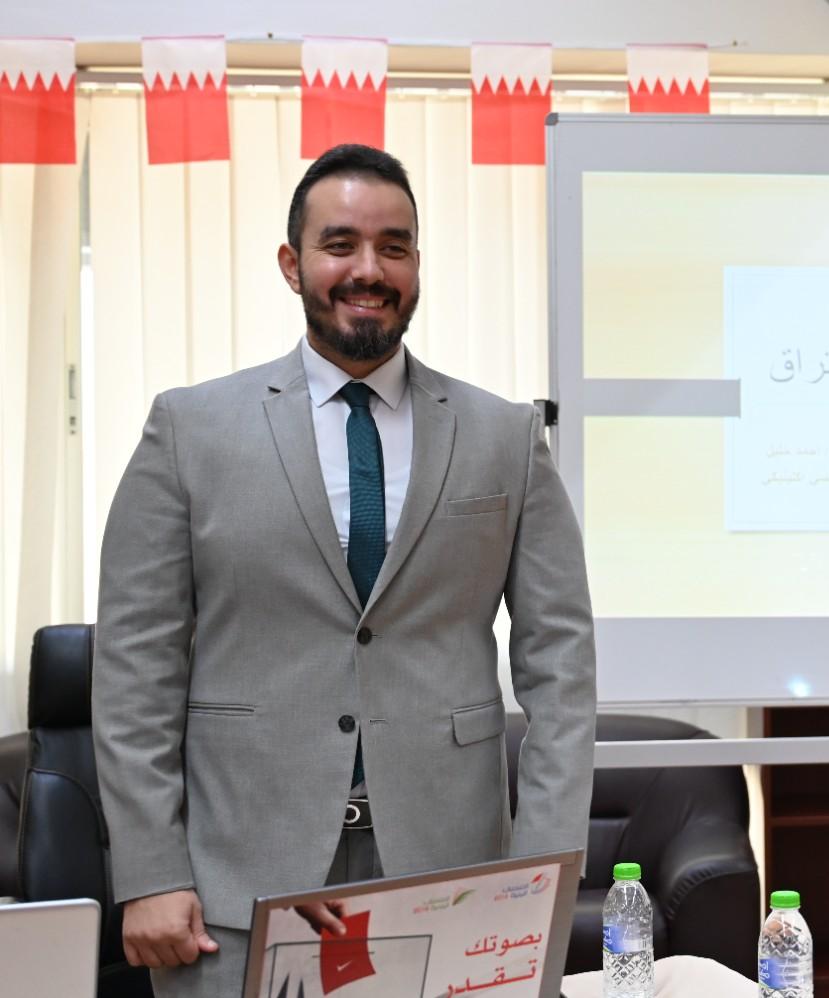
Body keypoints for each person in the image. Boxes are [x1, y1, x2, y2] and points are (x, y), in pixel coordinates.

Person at [92, 144, 597, 998]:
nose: (370, 269)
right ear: (293, 265)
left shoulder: (504, 436)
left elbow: (562, 665)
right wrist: (148, 871)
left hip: (455, 877)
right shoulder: (188, 430)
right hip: (234, 888)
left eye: (394, 247)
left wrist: (542, 870)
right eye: (341, 244)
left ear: (418, 266)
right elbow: (135, 666)